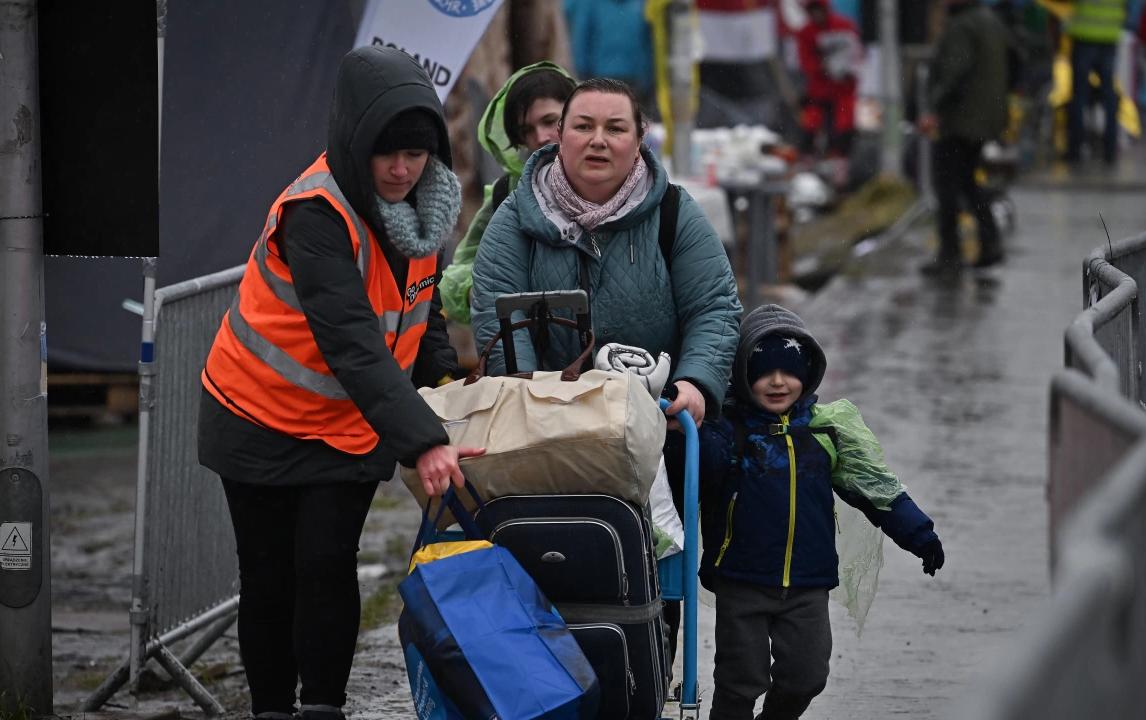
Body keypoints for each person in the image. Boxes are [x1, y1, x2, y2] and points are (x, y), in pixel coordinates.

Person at [197, 47, 483, 720]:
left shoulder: (427, 206)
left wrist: (446, 382)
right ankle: (272, 708)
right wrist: (421, 440)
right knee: (269, 578)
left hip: (347, 424)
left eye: (416, 155)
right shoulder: (315, 212)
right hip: (256, 411)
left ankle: (323, 707)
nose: (401, 169)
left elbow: (421, 306)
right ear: (355, 142)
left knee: (326, 564)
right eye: (386, 153)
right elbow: (351, 338)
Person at [699, 303, 945, 720]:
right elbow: (693, 473)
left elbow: (877, 490)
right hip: (742, 580)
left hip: (807, 584)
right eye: (763, 372)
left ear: (809, 372)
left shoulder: (825, 431)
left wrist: (919, 534)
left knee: (807, 676)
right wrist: (693, 420)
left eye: (789, 370)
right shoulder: (728, 432)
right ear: (742, 375)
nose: (778, 382)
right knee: (740, 681)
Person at [470, 76, 741, 430]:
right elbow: (497, 311)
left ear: (639, 139)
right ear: (560, 136)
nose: (598, 141)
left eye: (615, 128)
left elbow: (714, 307)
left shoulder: (675, 211)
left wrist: (694, 383)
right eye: (583, 127)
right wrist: (528, 396)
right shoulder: (514, 217)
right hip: (545, 425)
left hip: (660, 418)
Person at [439, 62, 575, 325]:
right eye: (526, 130)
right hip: (534, 348)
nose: (541, 137)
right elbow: (462, 271)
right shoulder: (507, 193)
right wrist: (480, 293)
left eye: (549, 121)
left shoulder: (615, 182)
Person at [918, 0, 1010, 276]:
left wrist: (934, 109)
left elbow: (952, 71)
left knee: (946, 186)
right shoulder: (989, 20)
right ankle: (990, 243)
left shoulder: (962, 25)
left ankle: (950, 254)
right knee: (969, 184)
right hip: (982, 120)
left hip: (960, 121)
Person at [794, 0, 861, 163]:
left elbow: (858, 54)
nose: (816, 15)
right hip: (818, 92)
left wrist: (848, 70)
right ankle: (808, 166)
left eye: (818, 10)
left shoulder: (845, 25)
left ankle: (840, 169)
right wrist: (823, 68)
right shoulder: (806, 32)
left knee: (843, 133)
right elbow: (806, 62)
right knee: (809, 130)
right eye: (812, 11)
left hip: (843, 91)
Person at [1064, 0, 1126, 163]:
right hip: (1109, 35)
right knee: (1109, 96)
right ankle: (1110, 151)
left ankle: (1075, 150)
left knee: (1079, 96)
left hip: (1084, 35)